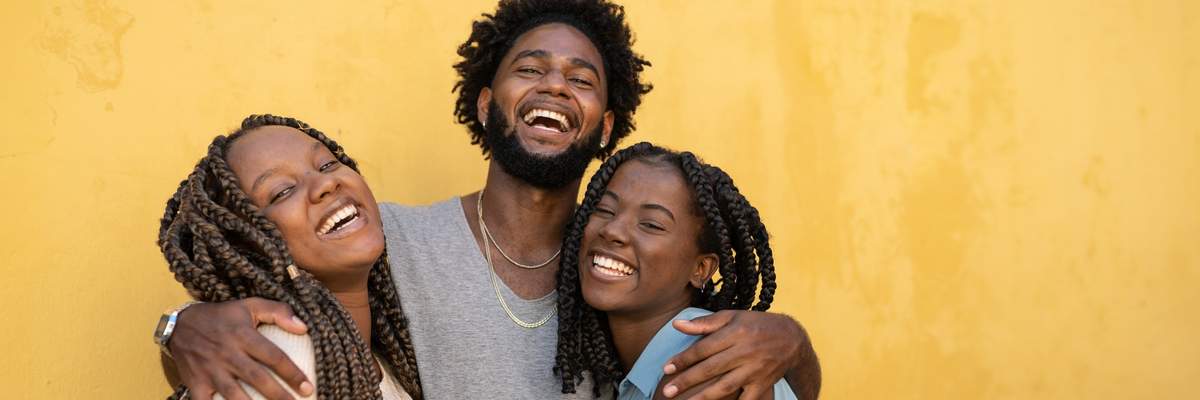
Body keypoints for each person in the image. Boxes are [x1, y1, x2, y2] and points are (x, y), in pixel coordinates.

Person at [158, 1, 821, 399]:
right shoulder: (380, 238)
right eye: (530, 69)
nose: (555, 86)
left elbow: (746, 376)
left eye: (581, 79)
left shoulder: (621, 279)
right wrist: (179, 327)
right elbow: (269, 300)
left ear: (607, 127)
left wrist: (792, 344)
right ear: (485, 102)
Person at [157, 115, 420, 399]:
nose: (326, 184)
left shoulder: (372, 357)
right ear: (250, 245)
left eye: (327, 164)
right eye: (282, 192)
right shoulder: (283, 366)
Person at [556, 142, 798, 399]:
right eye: (604, 210)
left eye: (651, 224)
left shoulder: (700, 373)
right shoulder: (650, 366)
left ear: (701, 269)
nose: (612, 230)